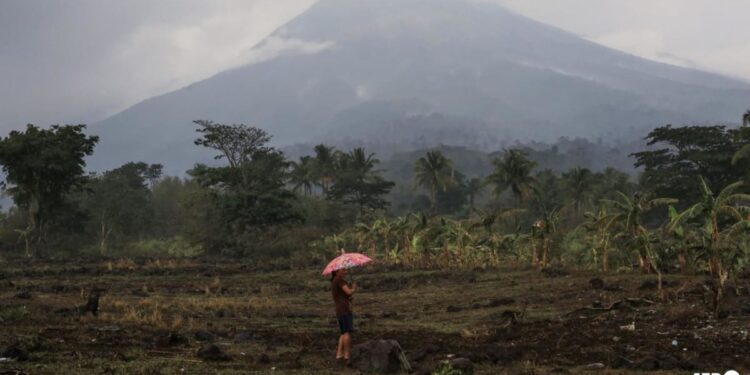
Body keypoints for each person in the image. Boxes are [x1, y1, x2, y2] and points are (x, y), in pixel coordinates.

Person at [331, 268, 356, 364]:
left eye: (346, 270)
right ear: (337, 271)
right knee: (347, 332)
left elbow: (344, 295)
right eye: (343, 270)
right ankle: (346, 355)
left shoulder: (335, 281)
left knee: (343, 332)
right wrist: (353, 288)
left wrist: (349, 297)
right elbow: (349, 292)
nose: (345, 272)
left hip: (340, 309)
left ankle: (339, 354)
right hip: (344, 309)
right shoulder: (339, 280)